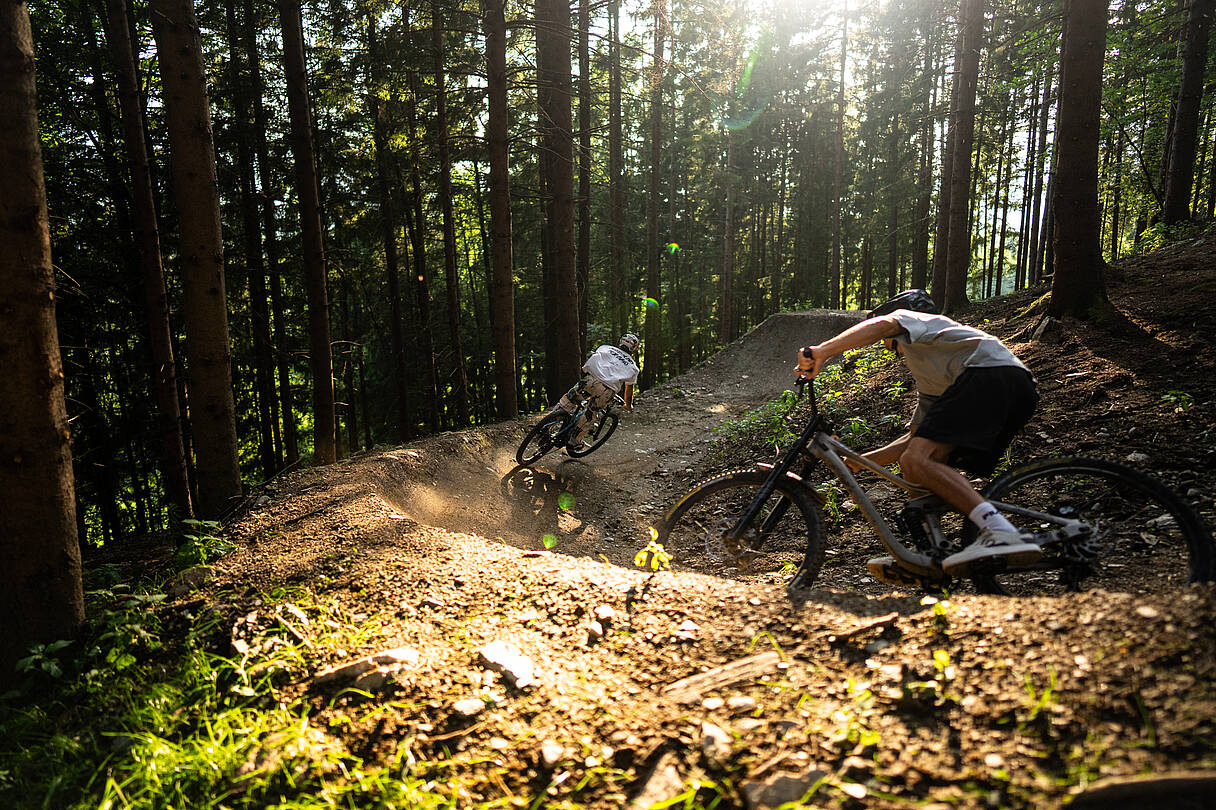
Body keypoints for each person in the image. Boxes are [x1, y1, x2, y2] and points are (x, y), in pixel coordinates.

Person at [795, 290, 1040, 576]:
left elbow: (885, 325)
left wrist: (823, 351)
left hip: (994, 378)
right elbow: (915, 437)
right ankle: (931, 555)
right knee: (915, 464)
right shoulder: (934, 364)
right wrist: (860, 460)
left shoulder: (920, 319)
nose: (885, 344)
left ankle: (999, 530)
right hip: (1009, 389)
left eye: (887, 339)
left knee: (917, 460)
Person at [557, 333, 640, 452]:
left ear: (620, 342)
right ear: (634, 349)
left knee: (569, 399)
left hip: (590, 380)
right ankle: (574, 441)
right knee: (591, 414)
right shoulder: (633, 367)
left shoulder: (605, 347)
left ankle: (547, 424)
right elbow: (629, 389)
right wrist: (628, 404)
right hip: (606, 390)